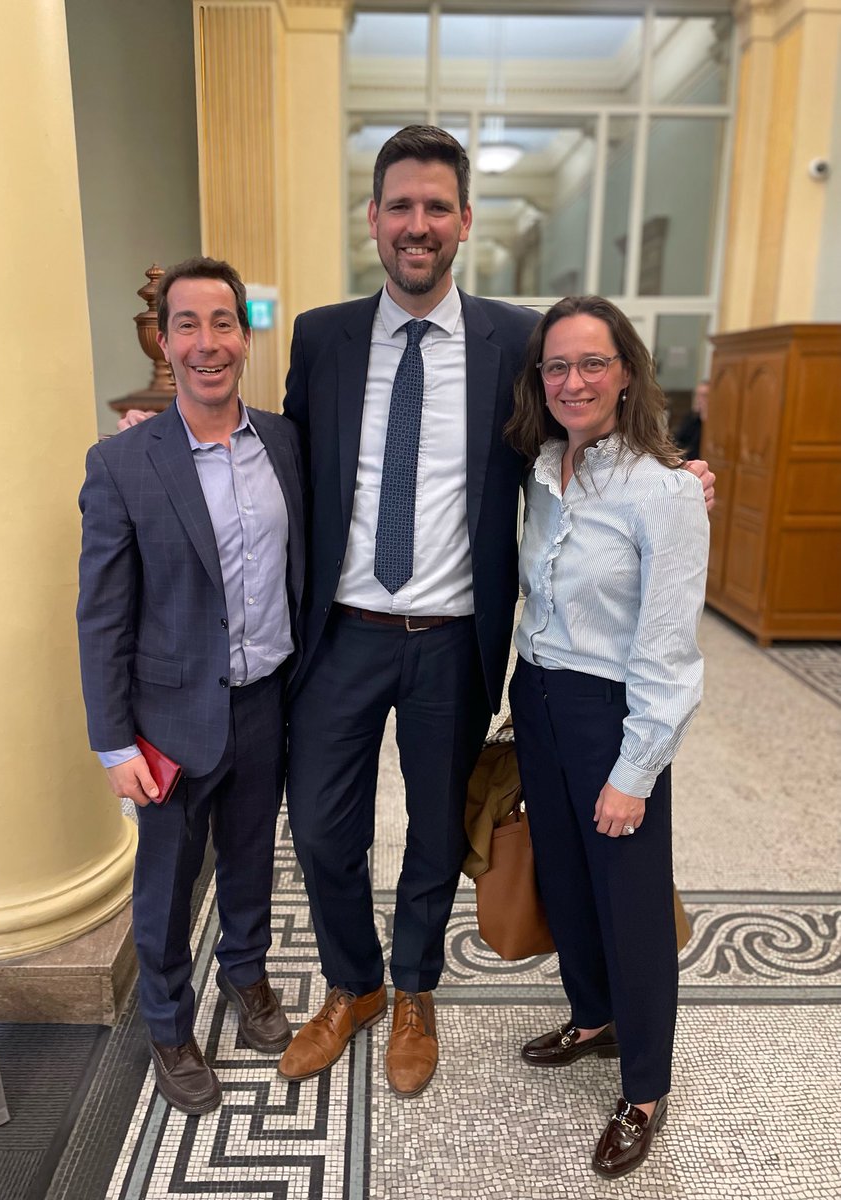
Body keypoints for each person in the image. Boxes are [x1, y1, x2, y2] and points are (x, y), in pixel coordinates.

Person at [276, 126, 715, 1100]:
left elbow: (585, 429)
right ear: (375, 218)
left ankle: (418, 988)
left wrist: (678, 477)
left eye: (438, 207)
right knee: (318, 828)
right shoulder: (321, 335)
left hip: (451, 645)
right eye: (401, 206)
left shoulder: (518, 337)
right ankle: (354, 985)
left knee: (437, 830)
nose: (418, 224)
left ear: (464, 221)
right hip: (341, 634)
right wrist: (184, 432)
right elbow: (288, 458)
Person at [77, 257, 306, 1114]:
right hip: (167, 720)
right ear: (163, 339)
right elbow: (102, 615)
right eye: (188, 325)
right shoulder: (123, 463)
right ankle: (169, 1028)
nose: (207, 344)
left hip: (264, 702)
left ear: (244, 336)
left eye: (223, 323)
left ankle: (245, 979)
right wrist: (112, 740)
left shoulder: (284, 442)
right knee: (167, 885)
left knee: (252, 862)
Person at [505, 295, 709, 1177]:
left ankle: (645, 1087)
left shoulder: (663, 493)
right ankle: (591, 1017)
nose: (574, 380)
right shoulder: (542, 468)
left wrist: (637, 767)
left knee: (629, 898)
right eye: (558, 365)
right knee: (565, 877)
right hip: (539, 701)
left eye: (593, 363)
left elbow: (668, 648)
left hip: (613, 714)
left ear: (626, 371)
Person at [673, 378, 709, 460]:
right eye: (698, 395)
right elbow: (679, 440)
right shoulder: (691, 417)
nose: (699, 399)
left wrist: (705, 421)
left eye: (704, 396)